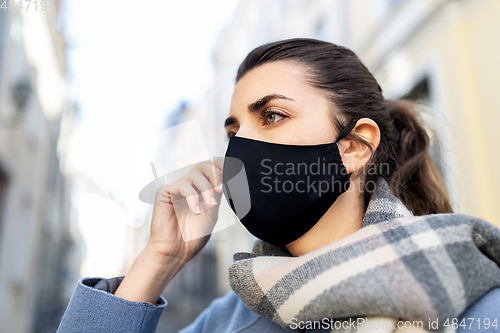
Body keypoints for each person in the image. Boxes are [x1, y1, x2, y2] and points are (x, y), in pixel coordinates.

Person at [56, 38, 500, 333]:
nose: (240, 146)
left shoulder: (476, 306)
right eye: (233, 132)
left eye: (271, 116)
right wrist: (157, 262)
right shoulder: (228, 321)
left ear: (355, 146)